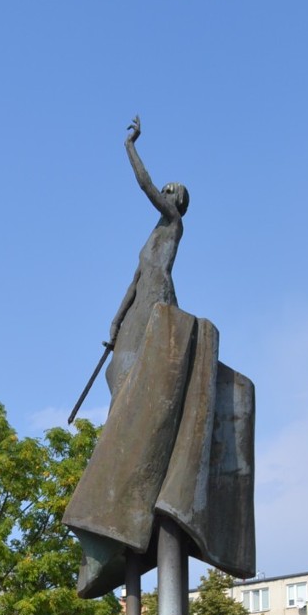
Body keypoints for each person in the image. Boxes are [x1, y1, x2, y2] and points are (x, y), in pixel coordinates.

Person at [106, 114, 189, 401]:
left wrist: (130, 146)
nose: (164, 194)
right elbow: (135, 281)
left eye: (169, 192)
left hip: (158, 298)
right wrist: (116, 322)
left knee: (140, 369)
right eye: (164, 191)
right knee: (114, 370)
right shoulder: (153, 236)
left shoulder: (174, 221)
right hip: (140, 302)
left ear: (178, 201)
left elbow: (145, 185)